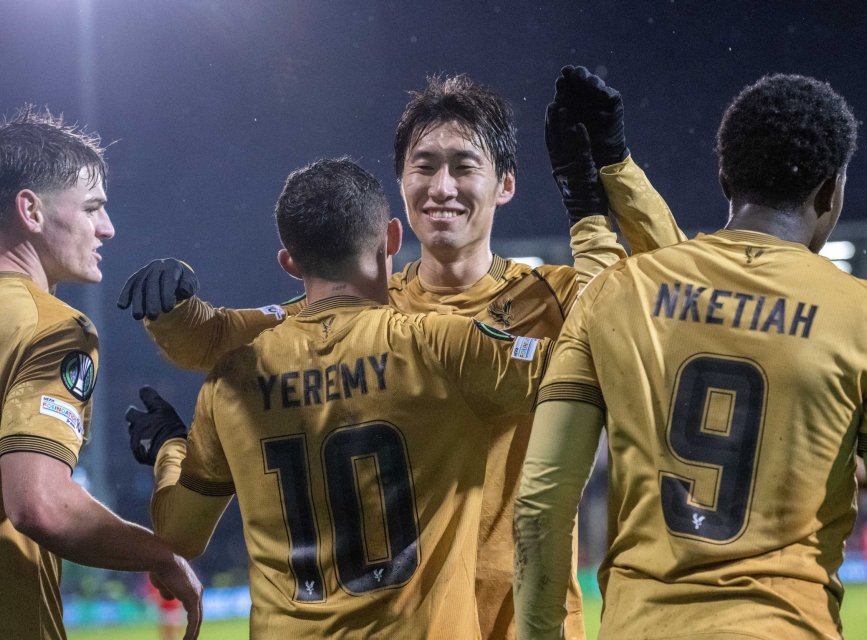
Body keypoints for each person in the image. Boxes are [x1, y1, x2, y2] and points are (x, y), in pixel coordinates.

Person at [118, 68, 686, 639]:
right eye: (425, 166)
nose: (442, 187)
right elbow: (223, 337)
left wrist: (617, 166)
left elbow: (670, 298)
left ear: (505, 185)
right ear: (400, 187)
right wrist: (174, 310)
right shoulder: (368, 310)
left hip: (524, 621)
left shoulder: (554, 297)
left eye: (464, 166)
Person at [513, 74, 867, 640]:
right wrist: (620, 171)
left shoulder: (617, 294)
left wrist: (607, 184)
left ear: (725, 178)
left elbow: (541, 508)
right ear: (831, 191)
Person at [128, 157, 558, 638]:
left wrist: (170, 444)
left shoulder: (232, 379)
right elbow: (584, 366)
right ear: (392, 239)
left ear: (289, 261)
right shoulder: (442, 346)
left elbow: (179, 535)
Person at [0, 106, 202, 640]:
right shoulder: (53, 328)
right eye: (92, 208)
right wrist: (159, 555)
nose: (107, 229)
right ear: (32, 210)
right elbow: (39, 504)